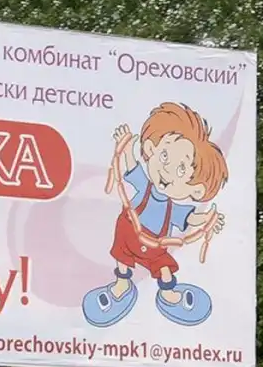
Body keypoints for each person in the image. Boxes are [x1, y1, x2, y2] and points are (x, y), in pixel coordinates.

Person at [82, 102, 228, 327]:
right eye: (165, 156)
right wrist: (127, 146)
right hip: (129, 232)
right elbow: (132, 167)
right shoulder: (145, 185)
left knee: (163, 267)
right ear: (151, 149)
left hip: (155, 248)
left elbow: (190, 217)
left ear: (195, 189)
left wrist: (208, 220)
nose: (168, 170)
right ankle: (122, 285)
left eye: (182, 169)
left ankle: (168, 294)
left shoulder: (173, 207)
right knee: (122, 257)